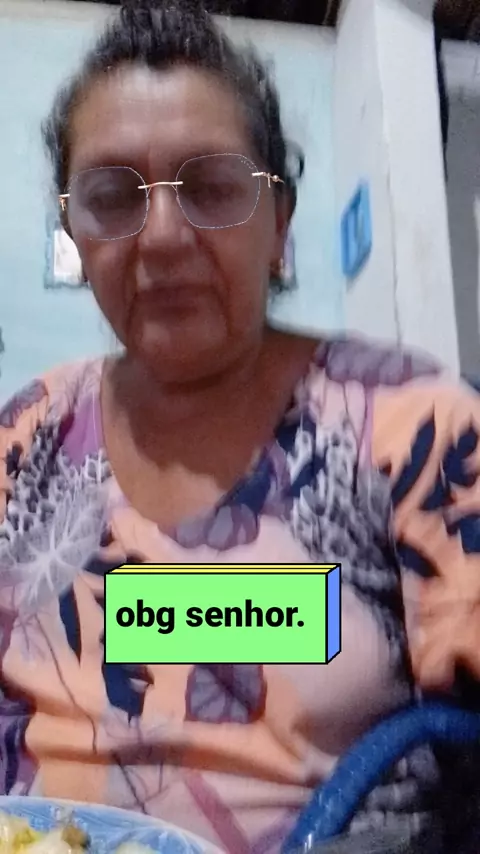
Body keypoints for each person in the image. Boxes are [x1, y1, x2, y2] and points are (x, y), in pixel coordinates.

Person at [0, 2, 479, 851]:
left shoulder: (411, 428)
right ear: (74, 233)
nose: (161, 238)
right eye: (112, 197)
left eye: (212, 188)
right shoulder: (27, 435)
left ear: (279, 225)